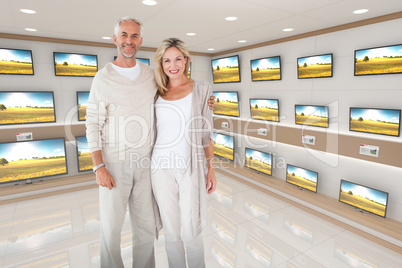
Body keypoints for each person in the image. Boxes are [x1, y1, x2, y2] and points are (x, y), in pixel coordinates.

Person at [86, 17, 214, 268]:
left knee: (146, 232)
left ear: (140, 41)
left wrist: (207, 101)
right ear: (115, 39)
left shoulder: (150, 77)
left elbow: (195, 116)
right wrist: (98, 166)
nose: (129, 41)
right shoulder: (103, 78)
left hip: (147, 164)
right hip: (116, 164)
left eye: (134, 36)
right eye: (124, 35)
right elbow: (92, 124)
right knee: (111, 232)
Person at [151, 38, 217, 268]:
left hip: (190, 166)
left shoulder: (202, 89)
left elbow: (207, 133)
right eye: (167, 60)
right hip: (159, 167)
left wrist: (211, 168)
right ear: (161, 63)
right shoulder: (156, 91)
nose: (173, 65)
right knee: (171, 233)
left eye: (178, 58)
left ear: (186, 60)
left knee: (191, 232)